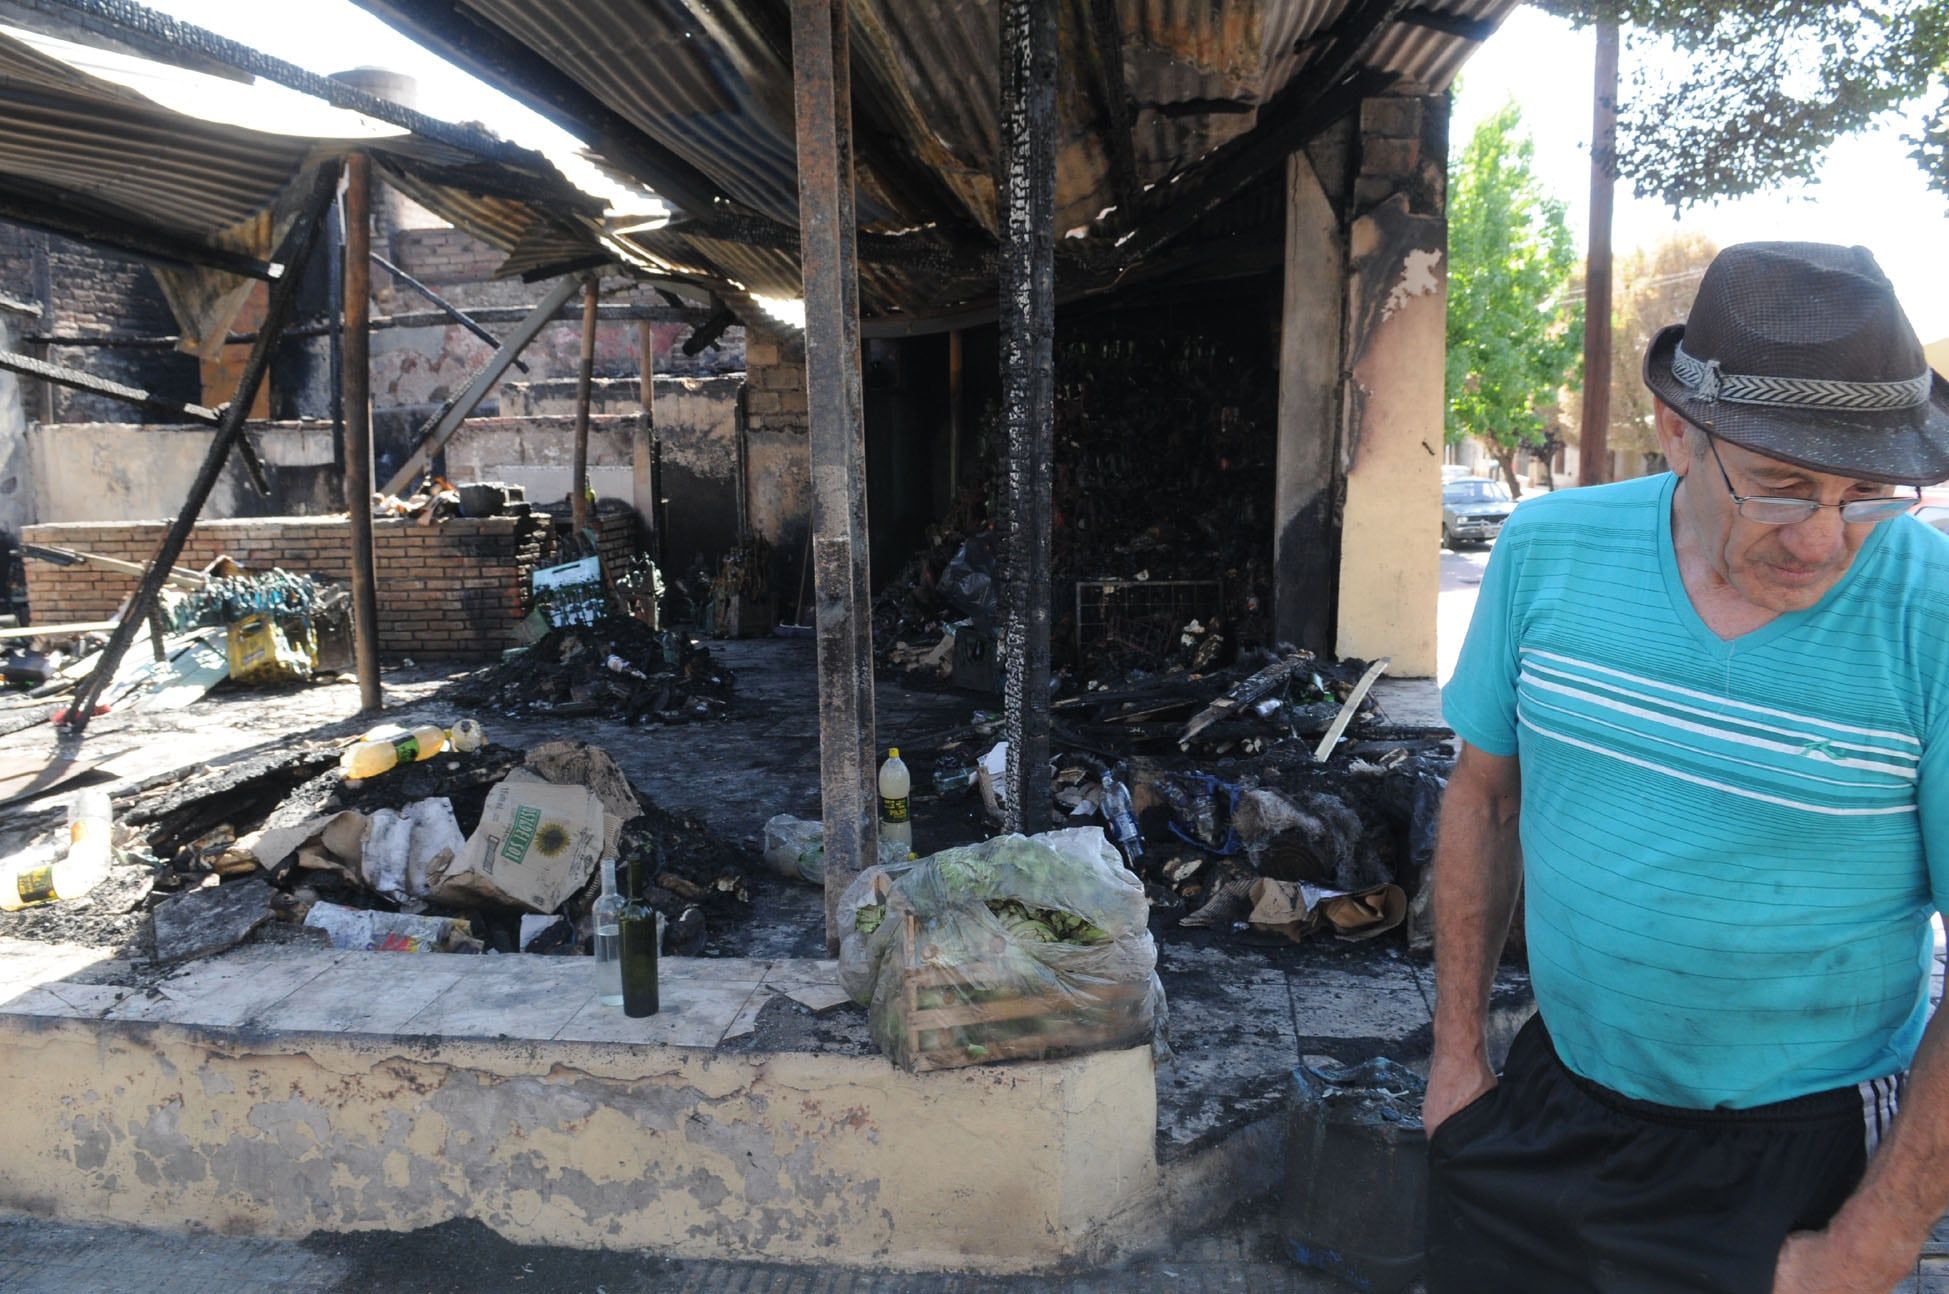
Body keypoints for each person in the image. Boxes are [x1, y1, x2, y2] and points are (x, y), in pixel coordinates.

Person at [1426, 242, 1949, 1293]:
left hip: (1793, 1148)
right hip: (1549, 1094)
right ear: (1674, 431)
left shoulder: (1930, 615)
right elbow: (1483, 799)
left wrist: (1875, 1233)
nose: (1822, 539)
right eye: (1779, 485)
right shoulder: (1544, 550)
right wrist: (1455, 1058)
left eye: (1865, 495)